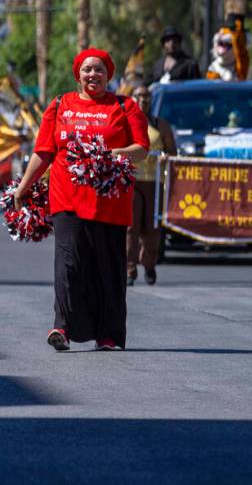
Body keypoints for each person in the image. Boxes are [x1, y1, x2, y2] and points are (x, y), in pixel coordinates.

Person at [13, 48, 149, 351]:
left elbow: (141, 147)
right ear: (78, 74)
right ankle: (62, 326)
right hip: (66, 199)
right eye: (87, 69)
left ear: (108, 75)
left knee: (107, 268)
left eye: (99, 70)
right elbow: (44, 151)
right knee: (68, 264)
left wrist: (112, 155)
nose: (93, 75)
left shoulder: (125, 106)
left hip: (109, 202)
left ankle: (109, 335)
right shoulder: (60, 105)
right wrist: (23, 187)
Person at [127, 86, 176, 286]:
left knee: (152, 227)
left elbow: (173, 152)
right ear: (132, 98)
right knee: (131, 227)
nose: (142, 100)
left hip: (155, 182)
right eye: (138, 96)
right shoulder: (125, 124)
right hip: (131, 181)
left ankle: (149, 264)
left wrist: (166, 158)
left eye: (146, 97)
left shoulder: (160, 125)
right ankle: (129, 269)